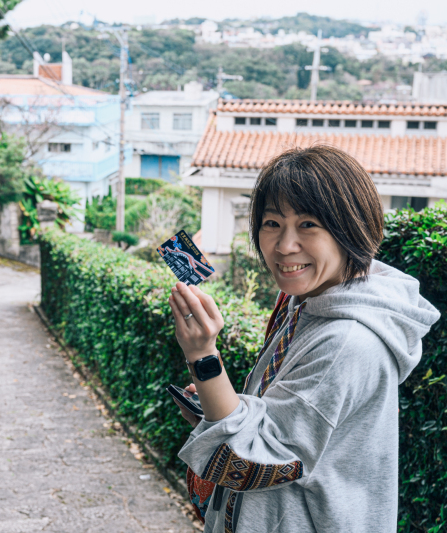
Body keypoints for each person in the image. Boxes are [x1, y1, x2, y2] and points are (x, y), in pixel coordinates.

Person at [167, 145, 439, 532]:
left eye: (308, 224)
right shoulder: (308, 303)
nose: (284, 245)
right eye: (272, 223)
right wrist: (212, 407)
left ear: (352, 228)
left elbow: (256, 463)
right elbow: (279, 424)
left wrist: (202, 356)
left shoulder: (347, 341)